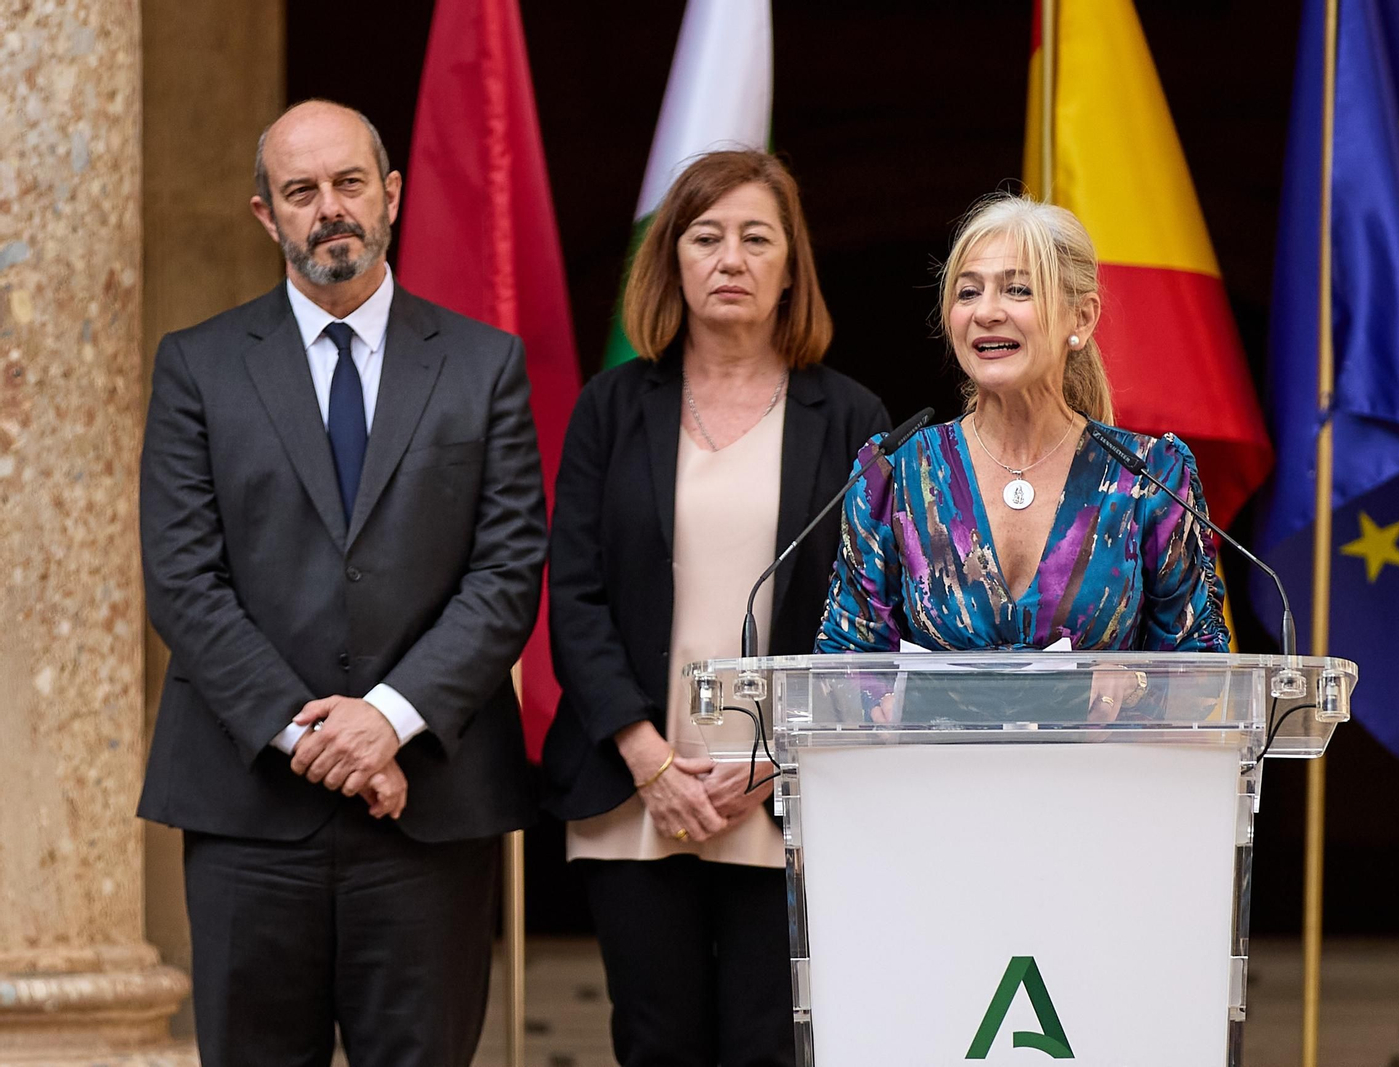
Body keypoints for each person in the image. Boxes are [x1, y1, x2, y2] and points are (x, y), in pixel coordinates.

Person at [137, 99, 545, 1067]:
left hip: (429, 806)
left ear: (391, 195)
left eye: (349, 183)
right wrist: (318, 735)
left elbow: (506, 567)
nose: (330, 209)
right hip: (248, 812)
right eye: (301, 191)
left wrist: (390, 718)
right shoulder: (197, 366)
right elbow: (183, 578)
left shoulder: (484, 366)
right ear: (264, 215)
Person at [542, 149, 889, 1066]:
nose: (730, 258)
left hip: (785, 791)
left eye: (755, 238)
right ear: (673, 261)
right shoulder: (611, 408)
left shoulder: (852, 417)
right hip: (634, 787)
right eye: (705, 237)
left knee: (766, 1044)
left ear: (790, 265)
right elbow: (572, 594)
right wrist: (648, 756)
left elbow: (868, 612)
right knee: (655, 1039)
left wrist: (776, 756)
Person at [815, 195, 1229, 716]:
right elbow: (843, 662)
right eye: (968, 292)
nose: (987, 312)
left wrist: (1136, 684)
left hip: (1104, 786)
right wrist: (881, 704)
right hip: (931, 787)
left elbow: (1203, 665)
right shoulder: (893, 473)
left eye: (1018, 290)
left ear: (1080, 316)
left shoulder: (1148, 477)